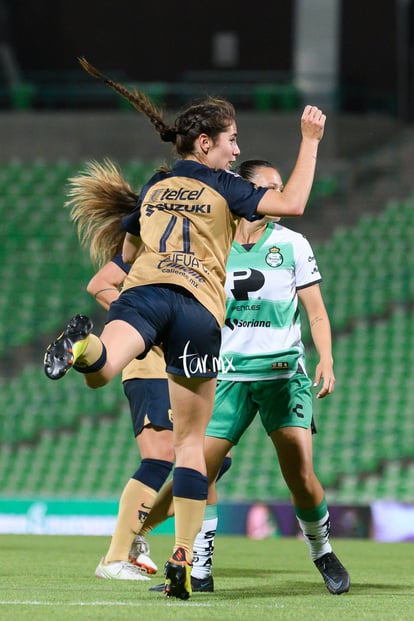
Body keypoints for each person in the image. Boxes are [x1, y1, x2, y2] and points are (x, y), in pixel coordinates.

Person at [44, 56, 325, 600]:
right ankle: (183, 559)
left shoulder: (155, 185)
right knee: (192, 446)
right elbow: (292, 202)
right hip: (196, 311)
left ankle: (80, 344)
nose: (237, 150)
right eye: (232, 140)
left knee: (100, 370)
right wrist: (309, 140)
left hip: (145, 294)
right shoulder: (224, 186)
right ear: (204, 143)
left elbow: (125, 256)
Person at [145, 160, 350, 596]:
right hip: (226, 379)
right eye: (269, 186)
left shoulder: (292, 244)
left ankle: (322, 550)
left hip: (282, 375)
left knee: (300, 473)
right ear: (245, 191)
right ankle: (198, 567)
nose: (277, 194)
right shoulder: (213, 245)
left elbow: (316, 311)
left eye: (280, 187)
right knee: (203, 470)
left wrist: (326, 359)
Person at [67, 160, 231, 587]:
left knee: (207, 461)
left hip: (176, 355)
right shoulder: (153, 243)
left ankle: (139, 538)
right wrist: (147, 329)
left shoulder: (186, 244)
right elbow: (101, 282)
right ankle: (119, 553)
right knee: (164, 456)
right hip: (149, 362)